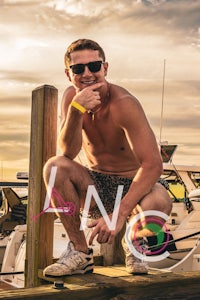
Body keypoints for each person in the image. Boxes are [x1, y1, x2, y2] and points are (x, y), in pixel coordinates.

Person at [43, 38, 172, 277]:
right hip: (97, 184)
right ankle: (81, 253)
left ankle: (134, 242)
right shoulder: (71, 97)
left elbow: (153, 164)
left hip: (136, 184)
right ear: (68, 74)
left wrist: (120, 213)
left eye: (94, 66)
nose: (87, 73)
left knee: (159, 203)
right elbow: (67, 153)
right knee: (54, 167)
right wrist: (75, 110)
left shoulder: (124, 103)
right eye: (78, 68)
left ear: (105, 68)